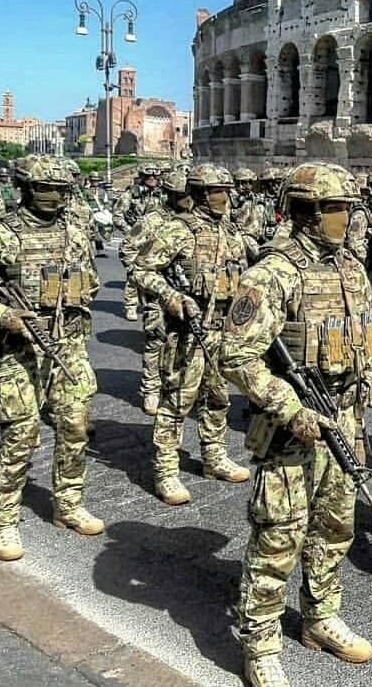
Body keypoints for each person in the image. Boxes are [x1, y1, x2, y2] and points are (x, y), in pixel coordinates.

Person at [220, 162, 372, 687]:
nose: (349, 218)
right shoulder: (273, 274)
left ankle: (319, 616)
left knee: (335, 529)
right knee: (278, 537)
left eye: (349, 209)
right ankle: (260, 642)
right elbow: (238, 355)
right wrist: (291, 409)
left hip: (342, 423)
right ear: (307, 213)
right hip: (293, 430)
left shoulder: (351, 268)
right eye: (338, 209)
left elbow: (363, 343)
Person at [0, 156, 103, 561]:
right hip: (19, 351)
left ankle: (67, 504)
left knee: (75, 427)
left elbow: (90, 283)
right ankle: (5, 520)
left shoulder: (76, 234)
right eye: (44, 188)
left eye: (61, 190)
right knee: (20, 436)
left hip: (66, 345)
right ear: (26, 188)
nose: (53, 197)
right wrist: (4, 316)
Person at [131, 164, 251, 504]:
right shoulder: (178, 231)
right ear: (200, 193)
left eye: (227, 192)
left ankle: (214, 456)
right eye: (218, 192)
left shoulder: (230, 232)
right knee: (177, 401)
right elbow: (141, 268)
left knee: (218, 397)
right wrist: (171, 296)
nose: (224, 198)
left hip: (220, 330)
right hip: (186, 333)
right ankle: (166, 470)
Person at [120, 169, 186, 417]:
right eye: (182, 195)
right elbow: (127, 248)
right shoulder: (153, 220)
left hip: (186, 294)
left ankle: (176, 385)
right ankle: (151, 389)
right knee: (156, 341)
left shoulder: (193, 222)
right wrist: (142, 280)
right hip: (158, 293)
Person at [113, 164, 164, 321]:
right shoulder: (130, 195)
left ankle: (152, 304)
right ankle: (131, 306)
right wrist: (131, 232)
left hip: (156, 240)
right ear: (142, 177)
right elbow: (117, 216)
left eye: (156, 176)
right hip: (136, 241)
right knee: (134, 274)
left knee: (156, 272)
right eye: (149, 177)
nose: (153, 179)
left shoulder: (161, 194)